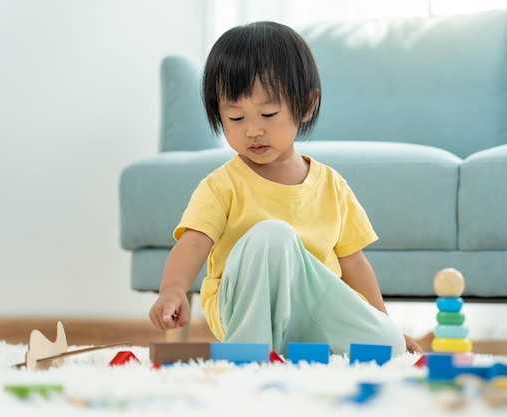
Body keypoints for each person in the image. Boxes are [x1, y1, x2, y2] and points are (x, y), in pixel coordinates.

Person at [149, 21, 422, 357]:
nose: (252, 130)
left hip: (313, 310)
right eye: (235, 119)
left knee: (389, 344)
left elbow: (354, 265)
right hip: (243, 308)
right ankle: (249, 352)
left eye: (268, 113)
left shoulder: (332, 186)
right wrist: (173, 289)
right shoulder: (222, 185)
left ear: (306, 106)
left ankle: (294, 347)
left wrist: (382, 321)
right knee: (273, 236)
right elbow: (192, 243)